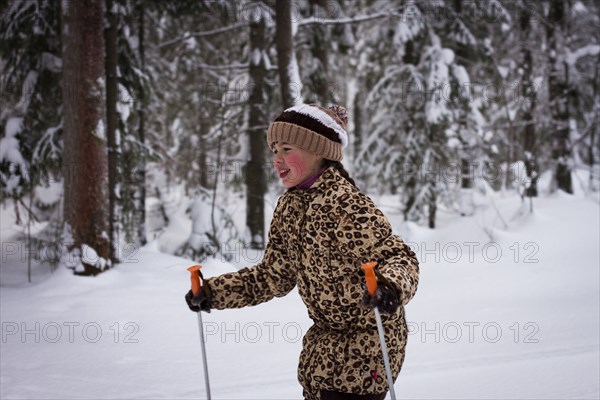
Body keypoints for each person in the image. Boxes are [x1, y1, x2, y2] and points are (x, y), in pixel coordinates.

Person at [185, 103, 419, 400]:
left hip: (369, 346)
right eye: (274, 151)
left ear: (318, 151)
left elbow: (399, 257)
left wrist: (390, 286)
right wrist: (213, 292)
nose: (277, 160)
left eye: (287, 149)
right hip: (322, 350)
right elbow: (273, 276)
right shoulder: (288, 208)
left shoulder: (347, 204)